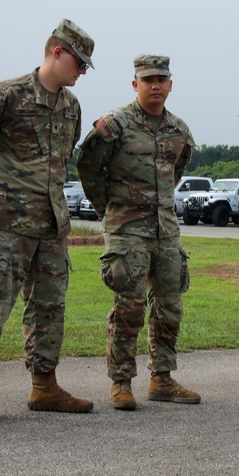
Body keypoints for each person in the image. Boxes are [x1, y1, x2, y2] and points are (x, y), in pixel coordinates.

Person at [0, 19, 95, 422]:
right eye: (79, 61)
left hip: (51, 225)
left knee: (49, 307)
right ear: (57, 52)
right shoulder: (7, 94)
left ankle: (44, 386)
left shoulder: (71, 106)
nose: (83, 70)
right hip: (6, 221)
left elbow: (63, 156)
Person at [76, 54, 198, 411]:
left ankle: (162, 379)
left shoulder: (180, 130)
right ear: (135, 84)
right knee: (128, 308)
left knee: (169, 306)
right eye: (148, 80)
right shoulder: (115, 124)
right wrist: (109, 208)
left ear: (171, 84)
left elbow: (177, 171)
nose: (155, 85)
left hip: (166, 230)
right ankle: (121, 382)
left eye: (161, 78)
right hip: (127, 230)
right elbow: (88, 167)